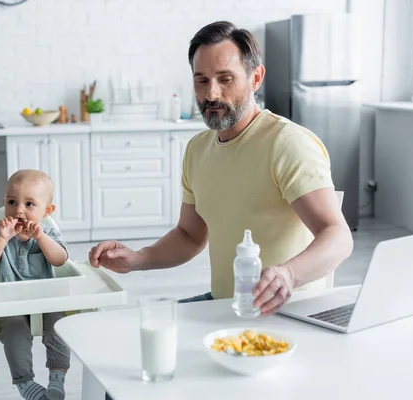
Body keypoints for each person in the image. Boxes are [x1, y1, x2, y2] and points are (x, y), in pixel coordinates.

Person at [89, 21, 354, 316]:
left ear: (256, 78)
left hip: (287, 313)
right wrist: (138, 258)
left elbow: (338, 236)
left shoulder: (286, 144)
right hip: (226, 304)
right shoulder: (198, 149)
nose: (211, 94)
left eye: (225, 79)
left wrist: (288, 275)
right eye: (201, 80)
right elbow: (190, 235)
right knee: (133, 329)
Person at [0, 169, 70, 400]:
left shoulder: (46, 233)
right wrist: (2, 238)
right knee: (14, 330)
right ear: (4, 204)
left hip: (45, 299)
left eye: (29, 204)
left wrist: (41, 238)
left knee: (60, 324)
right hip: (10, 303)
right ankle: (25, 383)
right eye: (12, 202)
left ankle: (57, 377)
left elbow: (60, 259)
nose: (19, 209)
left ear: (46, 211)